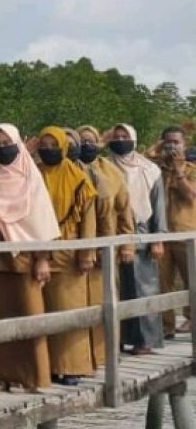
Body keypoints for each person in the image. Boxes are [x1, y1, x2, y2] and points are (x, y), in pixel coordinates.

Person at [0, 124, 58, 394]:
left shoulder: (31, 178)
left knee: (30, 316)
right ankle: (1, 375)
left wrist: (42, 259)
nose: (3, 148)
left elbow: (41, 220)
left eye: (7, 143)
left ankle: (33, 376)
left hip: (26, 260)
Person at [34, 126, 96, 384]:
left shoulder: (78, 177)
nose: (48, 149)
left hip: (69, 252)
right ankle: (45, 367)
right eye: (44, 144)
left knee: (69, 311)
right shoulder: (33, 175)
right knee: (41, 312)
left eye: (53, 144)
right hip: (37, 253)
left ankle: (72, 367)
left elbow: (88, 218)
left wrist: (87, 252)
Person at [75, 124, 134, 365]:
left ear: (99, 143)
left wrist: (128, 245)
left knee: (105, 300)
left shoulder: (111, 172)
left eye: (91, 140)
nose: (87, 145)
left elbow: (124, 211)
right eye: (82, 141)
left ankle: (106, 353)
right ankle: (82, 356)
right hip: (75, 248)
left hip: (106, 245)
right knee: (78, 304)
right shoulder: (71, 169)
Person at [106, 124, 166, 354]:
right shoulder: (105, 166)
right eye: (116, 136)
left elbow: (159, 206)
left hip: (142, 236)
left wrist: (157, 239)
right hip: (113, 235)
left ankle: (145, 341)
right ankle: (116, 340)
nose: (120, 140)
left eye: (124, 136)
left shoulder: (149, 170)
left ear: (133, 139)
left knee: (143, 289)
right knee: (116, 291)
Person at [147, 126, 195, 337]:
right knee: (161, 282)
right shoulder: (156, 169)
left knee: (192, 281)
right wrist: (156, 149)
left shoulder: (192, 168)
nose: (172, 146)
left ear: (185, 144)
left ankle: (191, 321)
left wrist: (179, 171)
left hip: (187, 234)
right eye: (168, 142)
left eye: (176, 142)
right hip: (161, 235)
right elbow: (140, 159)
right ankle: (166, 325)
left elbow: (191, 195)